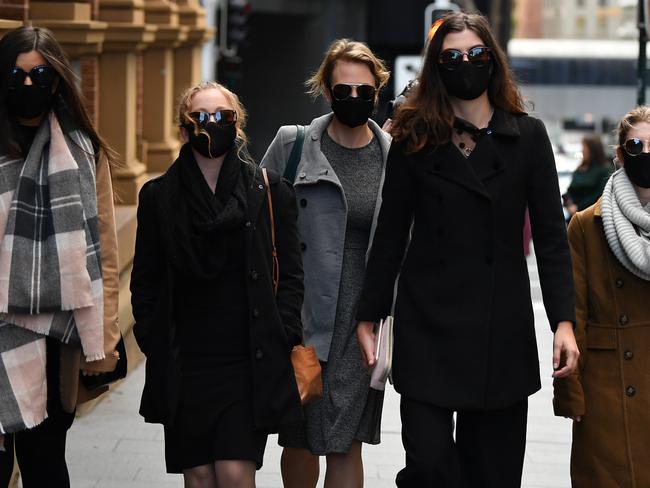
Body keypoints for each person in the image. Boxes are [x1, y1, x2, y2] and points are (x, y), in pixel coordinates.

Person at [355, 12, 579, 488]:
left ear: (493, 61)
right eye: (452, 57)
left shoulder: (529, 137)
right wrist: (367, 318)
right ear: (437, 67)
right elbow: (390, 235)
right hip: (426, 326)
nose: (466, 64)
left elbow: (552, 239)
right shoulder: (413, 139)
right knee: (430, 467)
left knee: (492, 475)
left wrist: (563, 321)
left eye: (476, 55)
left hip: (500, 330)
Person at [130, 81, 303, 488]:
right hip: (186, 363)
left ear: (237, 124)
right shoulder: (158, 197)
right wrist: (154, 340)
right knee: (200, 477)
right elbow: (146, 281)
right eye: (201, 117)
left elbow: (292, 274)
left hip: (248, 360)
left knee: (234, 473)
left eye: (223, 117)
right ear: (185, 127)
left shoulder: (269, 190)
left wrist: (284, 332)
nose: (212, 125)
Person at [261, 39, 391, 488]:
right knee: (298, 439)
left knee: (345, 442)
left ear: (378, 90)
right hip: (302, 318)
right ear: (326, 91)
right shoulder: (293, 145)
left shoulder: (392, 157)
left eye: (364, 91)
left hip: (363, 322)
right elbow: (262, 223)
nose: (354, 99)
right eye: (342, 91)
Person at [0, 26, 121, 488]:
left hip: (58, 332)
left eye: (40, 74)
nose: (28, 84)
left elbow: (106, 249)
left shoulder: (83, 149)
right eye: (17, 74)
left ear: (58, 78)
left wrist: (105, 337)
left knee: (46, 460)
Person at [553, 106, 650, 488]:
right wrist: (571, 394)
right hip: (608, 390)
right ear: (620, 154)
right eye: (636, 145)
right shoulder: (587, 224)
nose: (646, 154)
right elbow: (573, 314)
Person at [563, 135, 612, 219]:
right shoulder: (579, 169)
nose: (582, 151)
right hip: (574, 215)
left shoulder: (605, 169)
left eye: (585, 148)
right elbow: (570, 190)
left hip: (592, 215)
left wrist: (578, 207)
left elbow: (601, 194)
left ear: (593, 150)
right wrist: (568, 203)